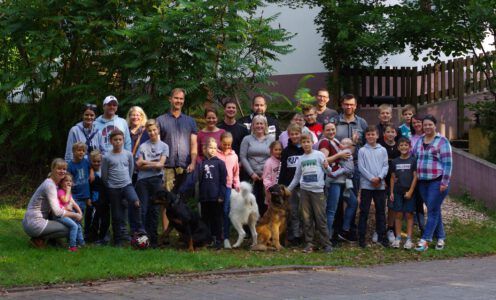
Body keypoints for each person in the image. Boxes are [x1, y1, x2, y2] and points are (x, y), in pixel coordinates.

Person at [288, 133, 333, 254]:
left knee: (320, 218)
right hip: (304, 192)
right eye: (303, 142)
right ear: (301, 144)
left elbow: (328, 171)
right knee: (306, 219)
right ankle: (309, 243)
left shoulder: (319, 155)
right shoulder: (301, 159)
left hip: (317, 192)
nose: (306, 144)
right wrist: (288, 189)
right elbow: (296, 177)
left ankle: (326, 244)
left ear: (312, 142)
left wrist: (327, 167)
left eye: (308, 141)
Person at [413, 115, 452, 252]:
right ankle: (441, 237)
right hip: (422, 182)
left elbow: (448, 164)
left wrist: (444, 182)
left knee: (432, 210)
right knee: (434, 209)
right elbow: (414, 158)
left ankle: (425, 239)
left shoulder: (442, 141)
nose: (427, 127)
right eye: (425, 125)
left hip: (437, 181)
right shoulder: (419, 141)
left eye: (430, 124)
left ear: (435, 125)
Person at [179, 137, 227, 249]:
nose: (213, 150)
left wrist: (221, 195)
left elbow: (223, 182)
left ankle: (218, 240)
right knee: (205, 220)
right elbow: (194, 178)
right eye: (210, 147)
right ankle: (207, 239)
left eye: (215, 148)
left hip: (216, 198)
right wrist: (182, 189)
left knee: (216, 219)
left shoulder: (220, 164)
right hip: (204, 197)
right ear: (205, 149)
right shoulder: (201, 164)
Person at [23, 158, 80, 248]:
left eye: (64, 169)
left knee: (66, 223)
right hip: (34, 223)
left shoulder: (53, 184)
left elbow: (56, 207)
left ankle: (43, 239)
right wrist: (75, 215)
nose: (62, 171)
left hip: (29, 221)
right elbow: (57, 212)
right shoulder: (50, 185)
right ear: (52, 169)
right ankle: (38, 239)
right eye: (59, 168)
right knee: (71, 227)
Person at [101, 129, 143, 246]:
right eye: (115, 140)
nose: (118, 142)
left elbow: (130, 170)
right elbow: (104, 175)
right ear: (111, 141)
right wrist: (109, 185)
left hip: (127, 185)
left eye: (120, 140)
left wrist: (127, 181)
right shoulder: (107, 157)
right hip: (113, 188)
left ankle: (138, 230)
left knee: (136, 202)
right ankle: (118, 239)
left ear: (123, 140)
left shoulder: (128, 154)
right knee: (117, 214)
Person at [318, 122, 356, 242]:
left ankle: (344, 230)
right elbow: (323, 160)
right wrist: (338, 155)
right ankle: (327, 237)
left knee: (353, 203)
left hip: (343, 179)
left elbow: (348, 153)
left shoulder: (336, 141)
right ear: (324, 131)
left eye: (333, 129)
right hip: (334, 180)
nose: (331, 132)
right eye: (328, 130)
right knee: (331, 210)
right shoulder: (325, 142)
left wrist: (353, 142)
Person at [156, 88, 198, 194]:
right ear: (170, 99)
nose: (178, 101)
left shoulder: (190, 121)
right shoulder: (160, 120)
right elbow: (157, 145)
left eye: (181, 99)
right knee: (166, 200)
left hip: (185, 167)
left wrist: (193, 163)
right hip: (167, 167)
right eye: (176, 98)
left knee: (182, 201)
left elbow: (193, 144)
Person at [135, 119, 169, 248]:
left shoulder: (164, 146)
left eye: (154, 130)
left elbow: (161, 165)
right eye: (149, 131)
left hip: (156, 180)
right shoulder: (143, 146)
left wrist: (146, 162)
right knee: (143, 209)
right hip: (143, 181)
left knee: (154, 209)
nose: (152, 132)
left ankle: (154, 239)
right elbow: (138, 165)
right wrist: (154, 163)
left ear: (158, 130)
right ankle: (143, 237)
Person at [357, 125, 389, 248]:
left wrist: (379, 178)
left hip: (379, 186)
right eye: (368, 134)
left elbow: (385, 166)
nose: (371, 136)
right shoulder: (362, 151)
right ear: (365, 136)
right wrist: (371, 178)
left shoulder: (383, 150)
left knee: (381, 212)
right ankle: (362, 238)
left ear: (377, 135)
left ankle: (382, 237)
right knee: (364, 212)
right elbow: (361, 167)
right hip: (366, 186)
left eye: (373, 134)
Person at [240, 115, 275, 216]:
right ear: (253, 126)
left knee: (266, 202)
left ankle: (265, 227)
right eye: (257, 124)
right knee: (250, 202)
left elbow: (274, 157)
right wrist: (252, 173)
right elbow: (243, 157)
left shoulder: (271, 139)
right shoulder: (247, 139)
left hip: (267, 177)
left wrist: (266, 174)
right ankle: (250, 229)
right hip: (251, 176)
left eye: (261, 123)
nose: (259, 126)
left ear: (265, 125)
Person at [278, 123, 304, 244]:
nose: (294, 136)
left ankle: (306, 234)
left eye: (297, 134)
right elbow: (282, 169)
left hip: (304, 186)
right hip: (290, 187)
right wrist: (281, 186)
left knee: (304, 211)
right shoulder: (286, 151)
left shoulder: (305, 149)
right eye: (292, 134)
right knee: (293, 211)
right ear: (289, 135)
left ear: (301, 134)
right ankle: (296, 235)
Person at [390, 137, 418, 250]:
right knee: (398, 214)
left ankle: (409, 239)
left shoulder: (413, 160)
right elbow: (392, 178)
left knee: (409, 215)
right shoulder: (395, 161)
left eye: (406, 145)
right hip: (397, 192)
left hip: (409, 192)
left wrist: (411, 191)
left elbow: (416, 177)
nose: (403, 147)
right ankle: (398, 238)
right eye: (401, 145)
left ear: (410, 147)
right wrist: (391, 192)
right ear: (398, 147)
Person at [217, 132, 240, 249]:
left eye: (229, 144)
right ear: (220, 142)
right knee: (216, 212)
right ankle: (216, 236)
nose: (226, 146)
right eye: (224, 144)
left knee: (226, 212)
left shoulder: (234, 156)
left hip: (228, 187)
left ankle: (226, 237)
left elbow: (236, 173)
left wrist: (237, 185)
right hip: (216, 187)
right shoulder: (215, 154)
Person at [379, 123, 401, 244]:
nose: (390, 134)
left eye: (393, 132)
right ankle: (379, 229)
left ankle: (390, 229)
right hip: (382, 182)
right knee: (381, 207)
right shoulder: (380, 146)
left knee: (392, 206)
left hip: (394, 183)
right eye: (388, 132)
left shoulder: (399, 147)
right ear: (384, 134)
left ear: (396, 134)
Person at [67, 142, 93, 234]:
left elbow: (91, 168)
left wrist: (91, 173)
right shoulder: (70, 165)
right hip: (75, 196)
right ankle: (75, 237)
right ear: (73, 152)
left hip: (85, 195)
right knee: (76, 217)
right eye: (79, 150)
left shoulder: (85, 161)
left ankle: (80, 236)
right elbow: (67, 181)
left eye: (83, 151)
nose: (81, 152)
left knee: (83, 216)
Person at [87, 150, 110, 245]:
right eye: (94, 161)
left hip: (105, 198)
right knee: (94, 218)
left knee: (106, 219)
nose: (96, 163)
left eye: (98, 161)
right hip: (95, 199)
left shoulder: (105, 170)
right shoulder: (89, 172)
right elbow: (87, 186)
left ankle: (103, 237)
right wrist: (88, 198)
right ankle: (91, 237)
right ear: (91, 161)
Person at [56, 174, 85, 252]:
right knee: (74, 226)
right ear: (61, 183)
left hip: (67, 213)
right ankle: (72, 246)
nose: (69, 183)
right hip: (60, 215)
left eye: (70, 181)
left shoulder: (68, 192)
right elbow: (65, 200)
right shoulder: (60, 191)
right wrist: (68, 191)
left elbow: (74, 203)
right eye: (66, 181)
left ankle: (81, 243)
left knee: (78, 225)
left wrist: (80, 213)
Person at [409, 114, 426, 233]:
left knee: (430, 203)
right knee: (419, 202)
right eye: (414, 123)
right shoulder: (411, 138)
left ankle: (434, 229)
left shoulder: (430, 136)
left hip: (429, 174)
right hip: (416, 174)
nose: (416, 124)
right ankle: (422, 227)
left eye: (418, 122)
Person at [126, 106, 149, 171]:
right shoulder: (125, 131)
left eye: (138, 115)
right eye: (133, 115)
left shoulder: (147, 131)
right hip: (128, 167)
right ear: (129, 116)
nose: (135, 117)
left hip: (143, 167)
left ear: (142, 117)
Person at [262, 141, 283, 206]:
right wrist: (270, 191)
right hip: (272, 192)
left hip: (281, 192)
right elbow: (266, 179)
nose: (278, 151)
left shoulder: (283, 160)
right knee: (272, 213)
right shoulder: (268, 162)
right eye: (276, 150)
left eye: (280, 149)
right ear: (271, 150)